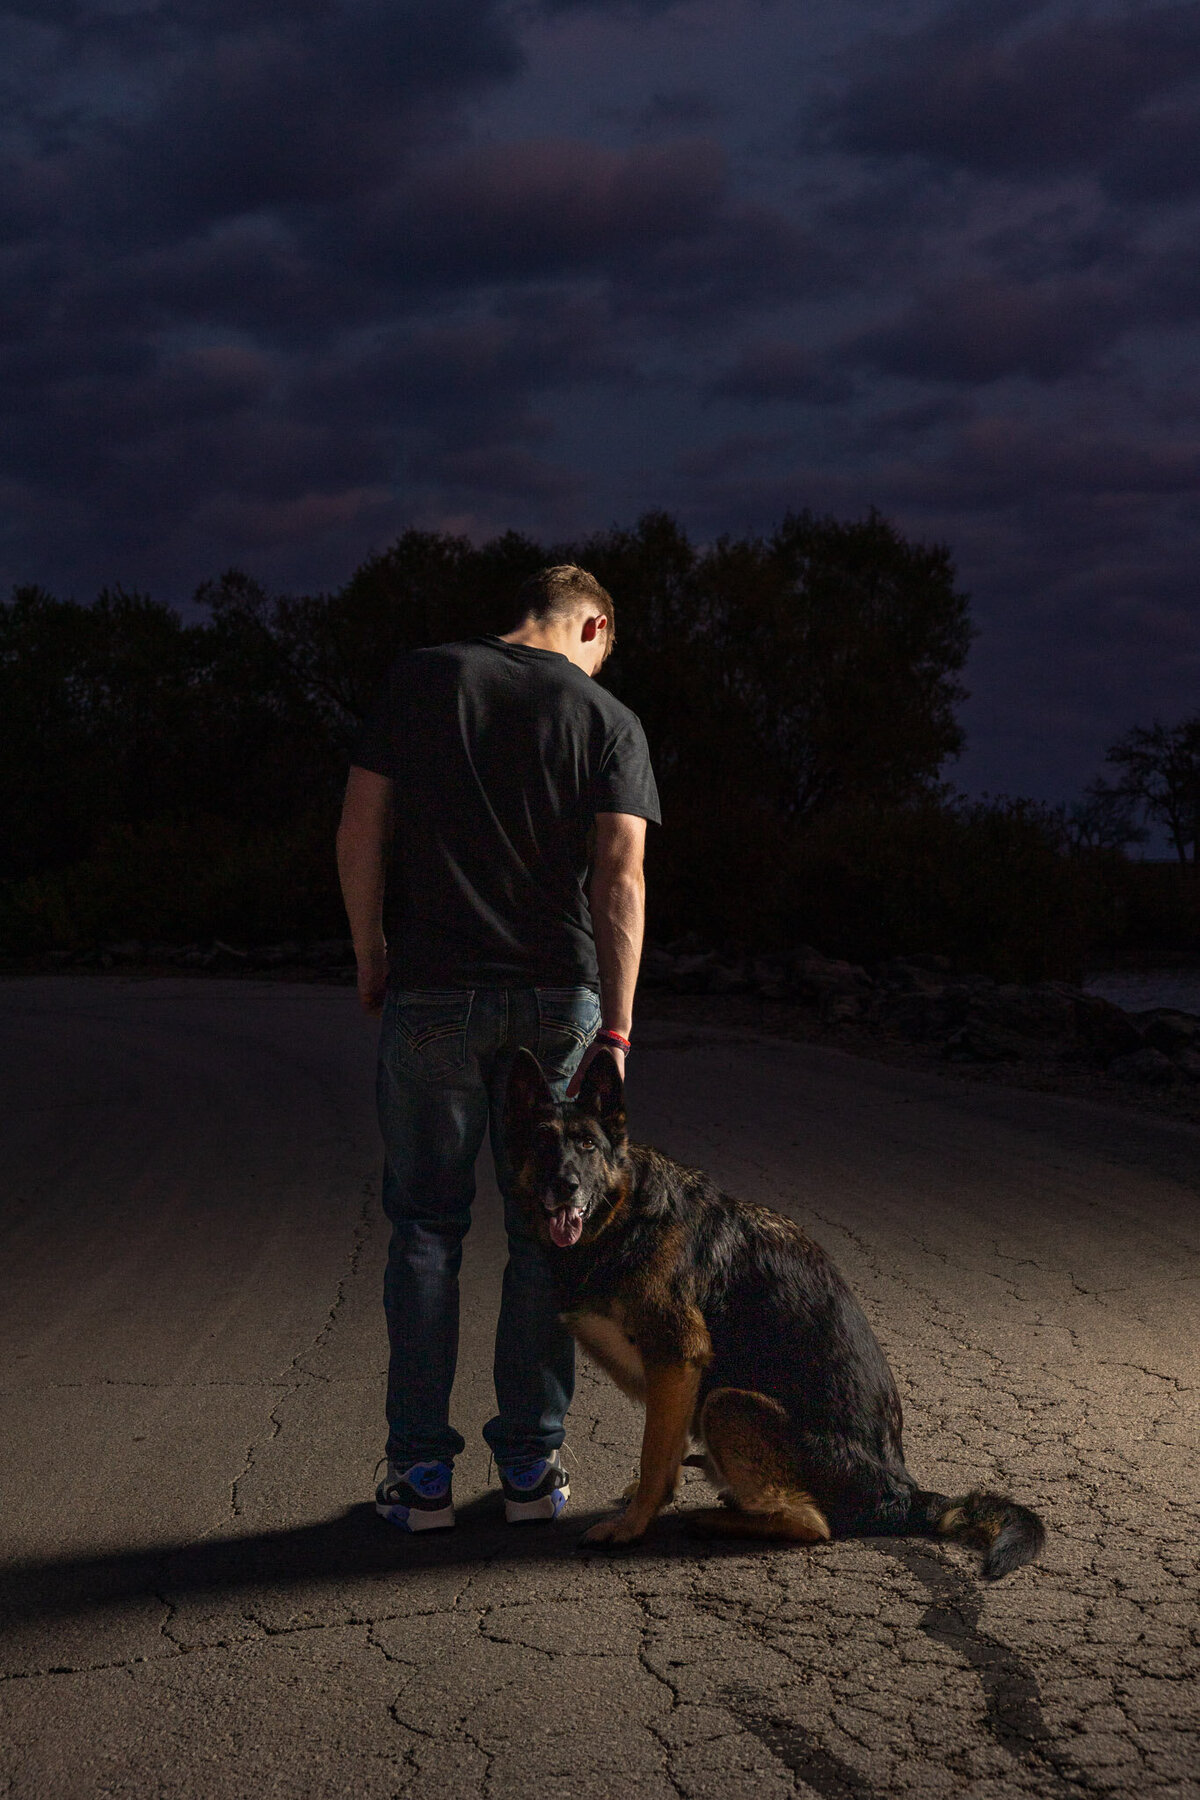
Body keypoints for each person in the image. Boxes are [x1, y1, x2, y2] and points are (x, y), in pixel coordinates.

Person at [336, 564, 660, 1531]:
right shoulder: (607, 718)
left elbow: (360, 828)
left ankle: (419, 1478)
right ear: (594, 623)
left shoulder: (423, 677)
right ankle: (529, 1472)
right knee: (544, 1235)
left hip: (432, 986)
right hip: (557, 997)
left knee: (427, 1231)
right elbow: (621, 879)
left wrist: (370, 951)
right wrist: (617, 1027)